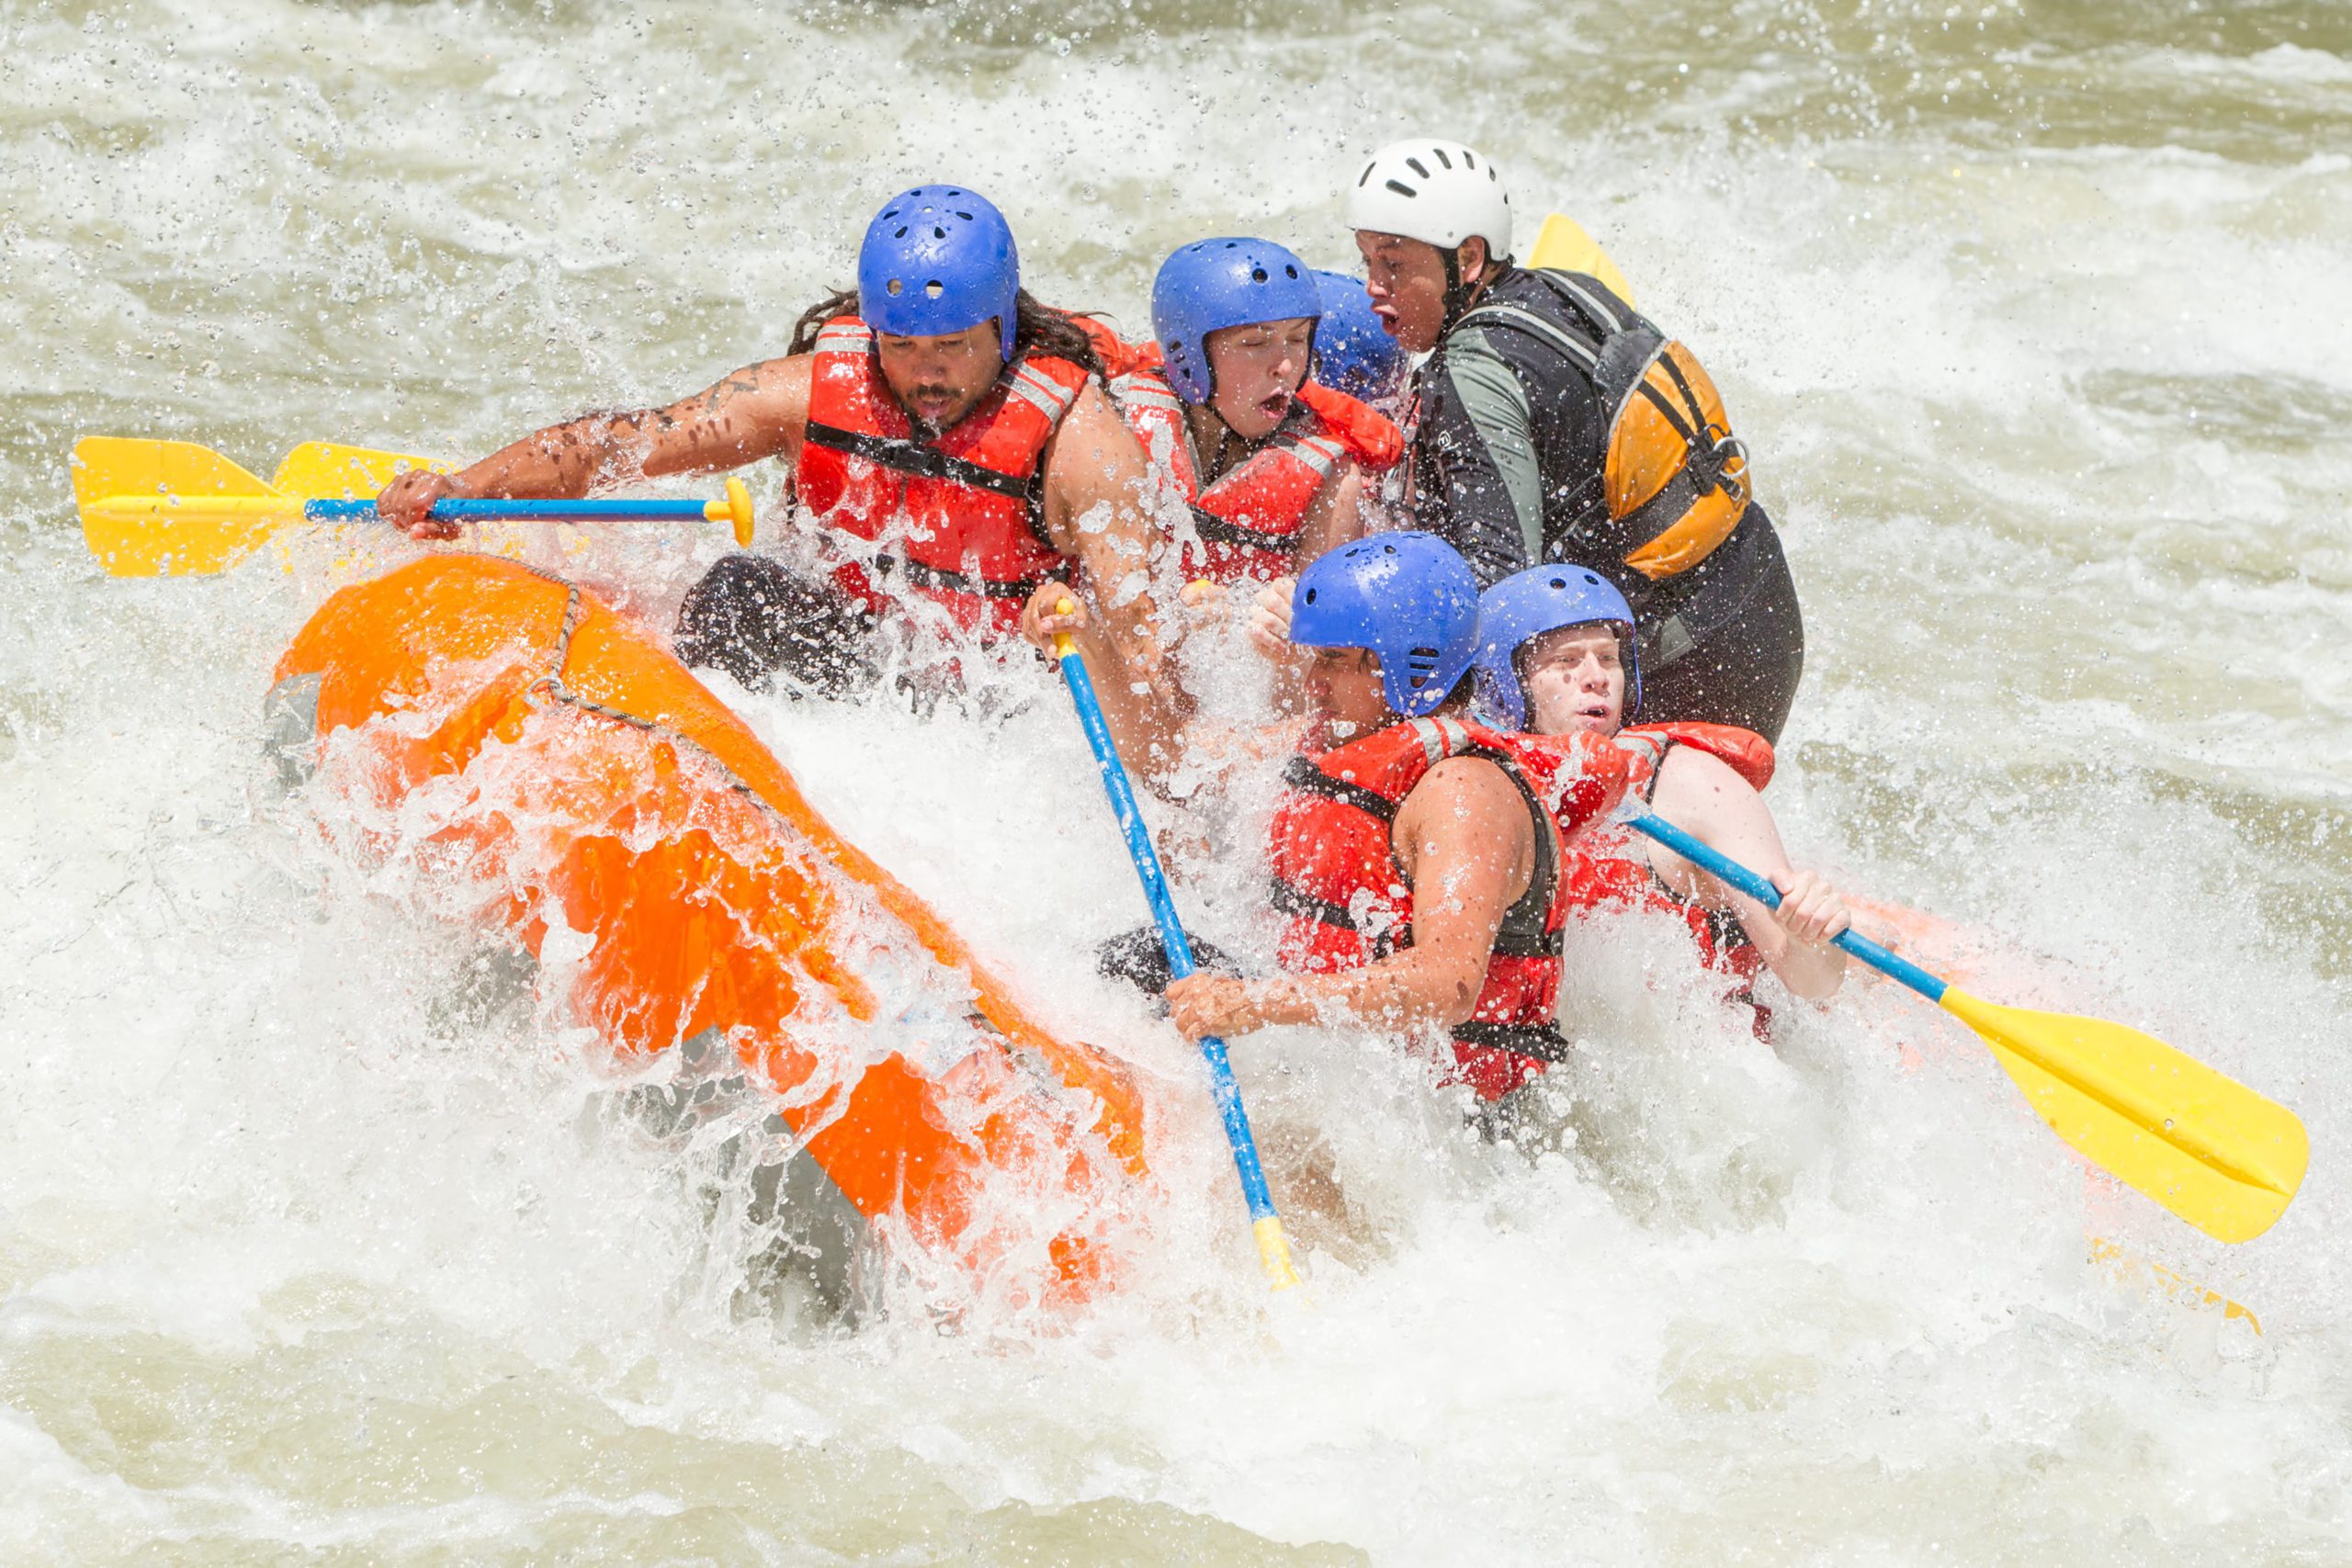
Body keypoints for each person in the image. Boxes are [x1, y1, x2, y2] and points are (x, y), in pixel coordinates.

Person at [375, 185, 1170, 747]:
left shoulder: (1084, 453)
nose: (927, 374)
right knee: (739, 597)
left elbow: (1153, 699)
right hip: (855, 658)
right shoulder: (805, 393)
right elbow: (624, 444)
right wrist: (464, 488)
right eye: (902, 346)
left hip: (999, 712)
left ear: (1001, 327)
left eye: (953, 347)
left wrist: (1083, 634)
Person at [1126, 534, 1615, 1106]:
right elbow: (1167, 759)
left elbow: (1447, 984)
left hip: (1455, 1122)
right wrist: (1087, 642)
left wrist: (1251, 1004)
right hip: (1353, 1071)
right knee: (1139, 955)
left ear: (1407, 663)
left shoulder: (1464, 790)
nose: (1312, 682)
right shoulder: (1345, 743)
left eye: (1333, 659)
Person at [1348, 138, 1808, 744]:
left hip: (1688, 659)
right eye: (1368, 263)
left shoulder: (1470, 375)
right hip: (1760, 600)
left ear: (1466, 259)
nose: (1374, 286)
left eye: (1395, 264)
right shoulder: (1567, 290)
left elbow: (1503, 580)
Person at [1473, 563, 1850, 1021]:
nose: (1597, 677)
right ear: (1504, 685)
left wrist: (1814, 935)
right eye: (1566, 661)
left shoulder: (1693, 786)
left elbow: (1810, 980)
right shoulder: (1471, 782)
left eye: (1608, 659)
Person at [1105, 238, 1398, 591]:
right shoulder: (1114, 424)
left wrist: (1255, 630)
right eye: (1255, 344)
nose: (1286, 366)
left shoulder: (1333, 480)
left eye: (1298, 339)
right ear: (1188, 355)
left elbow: (1326, 642)